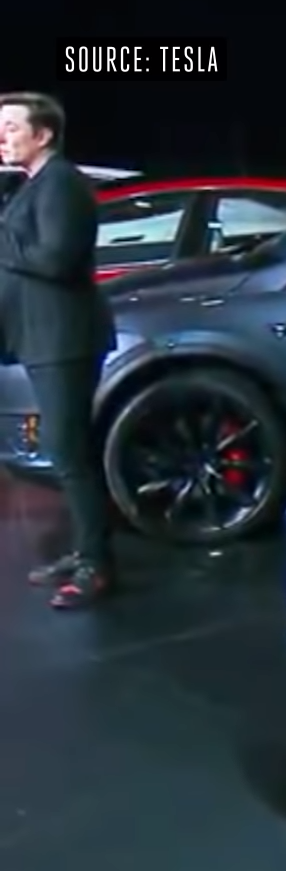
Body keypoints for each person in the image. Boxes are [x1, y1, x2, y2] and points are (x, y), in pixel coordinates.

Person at [0, 92, 115, 609]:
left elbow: (56, 260)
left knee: (69, 452)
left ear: (43, 134)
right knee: (66, 450)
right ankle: (84, 549)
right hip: (41, 337)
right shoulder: (33, 184)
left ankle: (97, 566)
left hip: (64, 339)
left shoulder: (63, 183)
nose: (1, 137)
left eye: (10, 127)